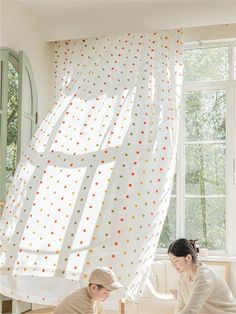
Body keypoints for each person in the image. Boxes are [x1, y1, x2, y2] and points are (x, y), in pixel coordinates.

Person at [168, 238, 236, 314]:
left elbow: (190, 311)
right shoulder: (182, 277)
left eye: (176, 261)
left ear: (188, 258)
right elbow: (180, 308)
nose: (173, 265)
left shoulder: (204, 277)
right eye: (171, 261)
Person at [53, 266, 123, 314]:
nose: (108, 296)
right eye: (106, 293)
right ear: (94, 288)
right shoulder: (83, 301)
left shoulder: (96, 298)